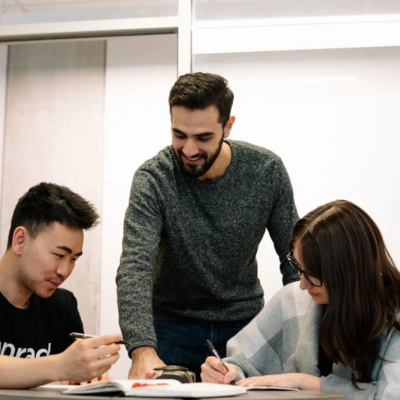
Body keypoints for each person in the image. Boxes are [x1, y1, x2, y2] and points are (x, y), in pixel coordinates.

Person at [117, 72, 298, 380]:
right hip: (171, 324)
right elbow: (135, 267)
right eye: (179, 135)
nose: (189, 150)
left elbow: (294, 260)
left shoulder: (267, 172)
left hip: (246, 324)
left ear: (228, 126)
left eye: (202, 137)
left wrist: (300, 339)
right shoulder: (153, 179)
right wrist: (142, 350)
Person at [201, 200, 400, 399]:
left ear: (347, 274)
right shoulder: (292, 299)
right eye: (298, 268)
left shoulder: (393, 319)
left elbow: (391, 395)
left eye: (312, 275)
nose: (303, 285)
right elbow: (241, 362)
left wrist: (307, 382)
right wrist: (224, 373)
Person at [0, 182, 121, 389]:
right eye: (59, 255)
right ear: (21, 240)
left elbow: (74, 375)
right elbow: (62, 366)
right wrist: (60, 366)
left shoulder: (62, 307)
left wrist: (89, 374)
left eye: (74, 259)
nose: (64, 271)